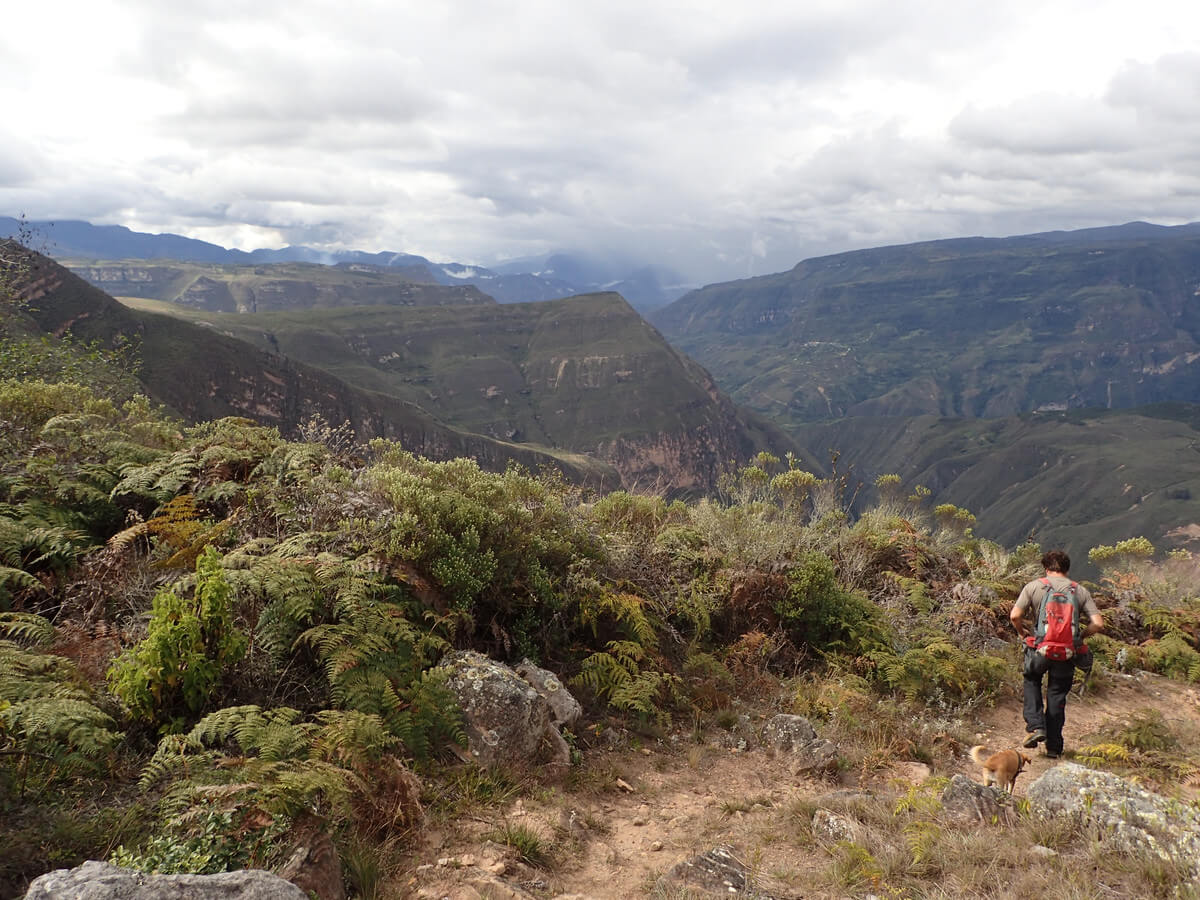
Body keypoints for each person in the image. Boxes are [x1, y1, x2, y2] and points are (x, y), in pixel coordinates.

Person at [1009, 549, 1104, 758]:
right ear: (1067, 569)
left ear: (1046, 568)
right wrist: (1079, 638)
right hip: (1067, 653)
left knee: (1032, 679)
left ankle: (1036, 727)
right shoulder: (1079, 591)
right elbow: (1097, 623)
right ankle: (1054, 748)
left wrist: (1022, 633)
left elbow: (1015, 615)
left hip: (1040, 650)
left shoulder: (1034, 587)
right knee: (1057, 694)